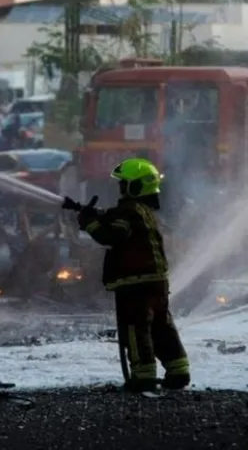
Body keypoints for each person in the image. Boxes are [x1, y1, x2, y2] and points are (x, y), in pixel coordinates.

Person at [66, 158, 190, 392]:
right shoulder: (144, 211)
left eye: (123, 184)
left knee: (135, 328)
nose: (120, 188)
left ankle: (142, 377)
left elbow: (112, 235)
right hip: (156, 281)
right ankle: (178, 371)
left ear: (134, 186)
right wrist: (95, 213)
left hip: (135, 283)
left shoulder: (129, 211)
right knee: (162, 327)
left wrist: (89, 224)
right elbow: (117, 218)